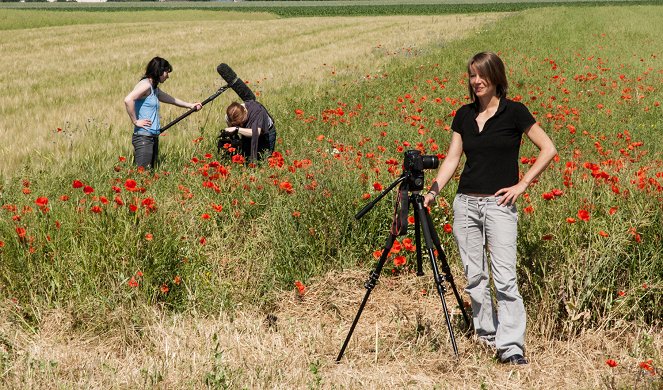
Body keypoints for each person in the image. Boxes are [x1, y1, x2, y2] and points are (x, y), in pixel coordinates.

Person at [423, 52, 556, 365]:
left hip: (499, 206)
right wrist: (433, 191)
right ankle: (486, 337)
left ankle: (510, 346)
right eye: (472, 75)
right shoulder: (464, 115)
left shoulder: (515, 112)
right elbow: (453, 159)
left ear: (496, 77)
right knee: (475, 277)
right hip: (465, 204)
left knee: (505, 278)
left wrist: (522, 185)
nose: (477, 81)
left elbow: (548, 148)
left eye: (482, 75)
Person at [124, 56, 202, 169]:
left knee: (150, 175)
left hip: (152, 137)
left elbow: (171, 99)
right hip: (143, 138)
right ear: (159, 71)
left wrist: (190, 105)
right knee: (142, 175)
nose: (168, 76)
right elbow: (128, 99)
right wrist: (135, 121)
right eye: (166, 72)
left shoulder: (153, 88)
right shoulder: (145, 85)